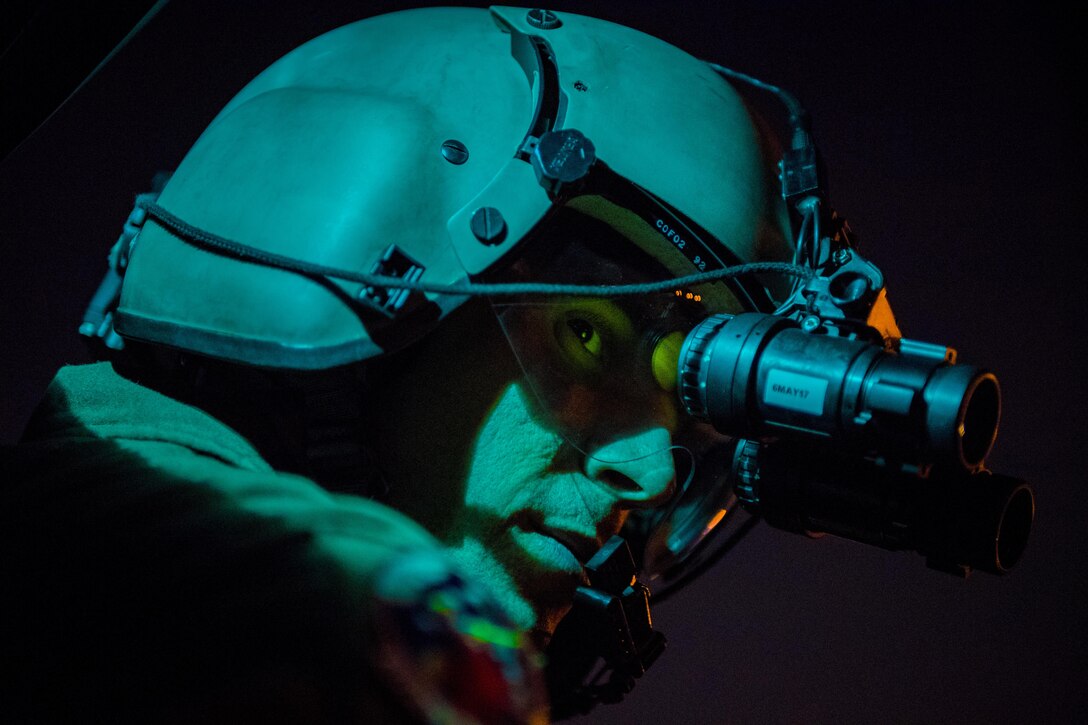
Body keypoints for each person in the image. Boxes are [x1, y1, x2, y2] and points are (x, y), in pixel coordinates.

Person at [3, 6, 800, 723]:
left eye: (677, 424)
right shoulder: (346, 629)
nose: (653, 475)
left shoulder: (82, 523)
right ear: (363, 277)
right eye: (584, 337)